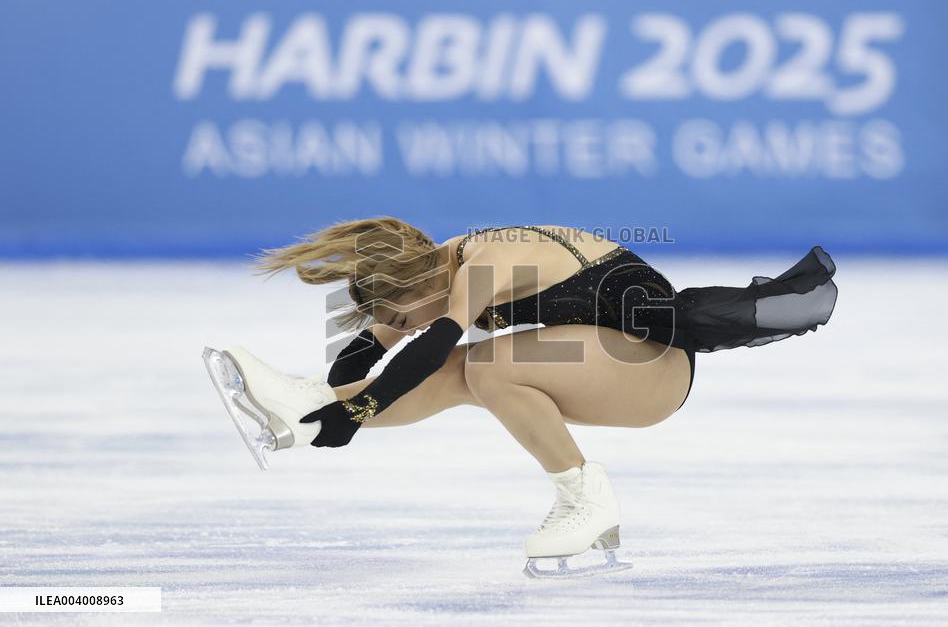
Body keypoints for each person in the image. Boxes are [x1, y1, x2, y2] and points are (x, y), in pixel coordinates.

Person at [204, 216, 837, 577]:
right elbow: (378, 349)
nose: (404, 323)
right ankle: (297, 416)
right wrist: (326, 400)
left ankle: (584, 499)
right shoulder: (433, 267)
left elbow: (425, 347)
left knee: (490, 366)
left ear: (422, 280)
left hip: (655, 369)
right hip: (605, 359)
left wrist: (358, 411)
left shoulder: (484, 265)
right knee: (463, 372)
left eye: (403, 311)